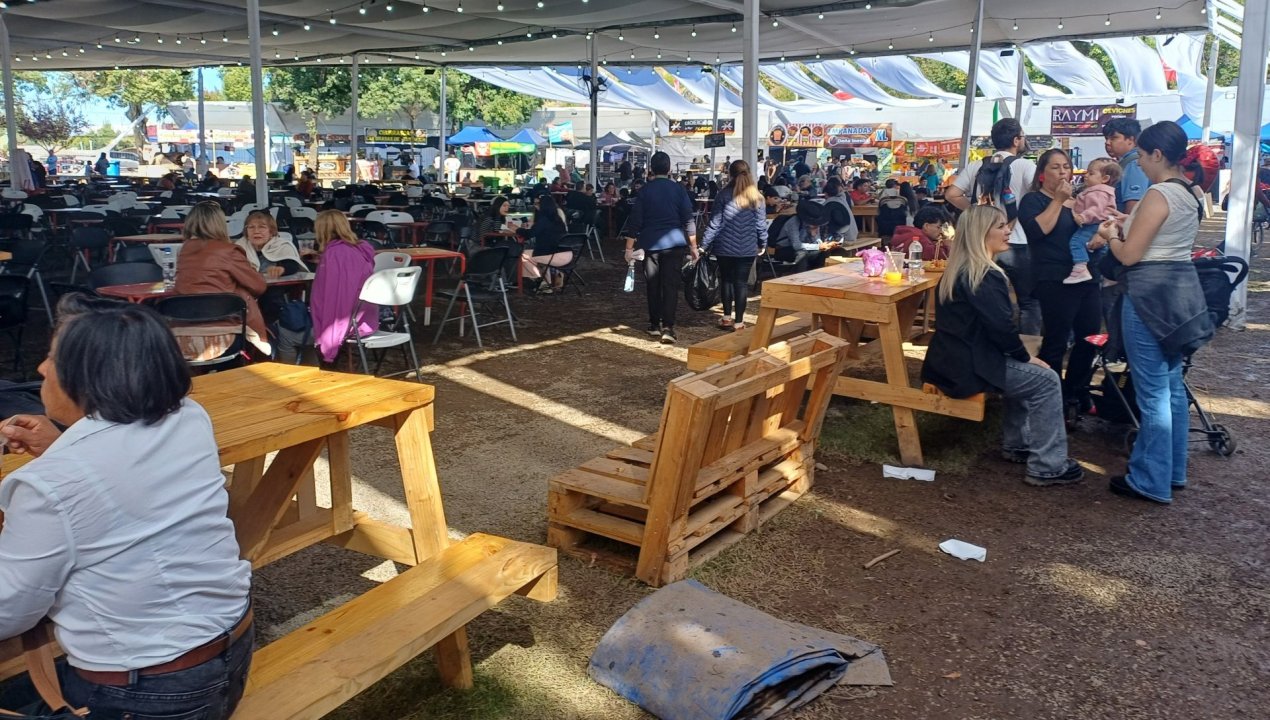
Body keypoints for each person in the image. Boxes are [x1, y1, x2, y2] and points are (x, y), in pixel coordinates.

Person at [0, 294, 253, 719]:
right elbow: (123, 480)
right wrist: (64, 444)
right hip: (229, 654)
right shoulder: (189, 417)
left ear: (90, 378)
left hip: (150, 695)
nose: (41, 368)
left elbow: (9, 612)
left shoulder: (52, 485)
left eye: (53, 359)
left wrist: (62, 460)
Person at [921, 206, 1083, 486]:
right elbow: (1001, 329)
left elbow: (996, 330)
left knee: (1028, 371)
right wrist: (1024, 357)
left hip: (951, 362)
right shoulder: (983, 275)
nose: (1008, 230)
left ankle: (1018, 444)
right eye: (1000, 226)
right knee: (1046, 380)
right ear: (980, 234)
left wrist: (1021, 356)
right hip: (969, 368)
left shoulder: (961, 270)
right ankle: (1047, 466)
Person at [1102, 121, 1214, 504]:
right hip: (1180, 293)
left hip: (1148, 293)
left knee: (1152, 394)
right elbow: (1165, 236)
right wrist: (1129, 223)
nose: (1139, 164)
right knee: (1171, 387)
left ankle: (1149, 479)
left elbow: (1129, 255)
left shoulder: (1158, 193)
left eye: (1142, 156)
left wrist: (1111, 235)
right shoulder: (1191, 191)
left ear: (1158, 154)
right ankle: (1172, 471)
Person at [1017, 149, 1103, 416]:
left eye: (1066, 166)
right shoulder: (1033, 200)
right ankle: (1051, 397)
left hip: (1087, 277)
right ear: (1042, 173)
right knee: (1057, 339)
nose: (1063, 171)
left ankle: (1074, 391)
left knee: (1090, 337)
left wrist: (1100, 237)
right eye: (1055, 167)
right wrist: (1058, 200)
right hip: (1054, 278)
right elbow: (1037, 231)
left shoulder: (1080, 201)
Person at [945, 118, 1040, 335]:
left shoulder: (976, 165)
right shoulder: (1025, 165)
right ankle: (1027, 347)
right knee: (1028, 302)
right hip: (1016, 241)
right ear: (1016, 140)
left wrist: (977, 212)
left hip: (982, 243)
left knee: (984, 297)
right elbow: (1038, 195)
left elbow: (952, 194)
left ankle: (987, 341)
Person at [175, 201, 272, 357]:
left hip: (183, 332)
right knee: (241, 292)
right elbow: (258, 286)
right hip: (224, 332)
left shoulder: (183, 250)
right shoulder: (229, 251)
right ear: (219, 224)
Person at [623, 150, 696, 344]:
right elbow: (688, 220)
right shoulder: (679, 190)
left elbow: (635, 221)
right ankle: (668, 327)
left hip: (650, 244)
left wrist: (629, 248)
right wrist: (694, 247)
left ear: (651, 169)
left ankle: (654, 324)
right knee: (670, 286)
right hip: (675, 244)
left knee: (652, 284)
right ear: (669, 168)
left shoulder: (645, 191)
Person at [701, 159, 768, 331]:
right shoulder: (757, 198)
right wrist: (762, 243)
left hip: (724, 247)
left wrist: (704, 245)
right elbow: (761, 225)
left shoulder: (723, 195)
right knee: (741, 283)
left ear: (730, 174)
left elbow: (715, 223)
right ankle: (739, 322)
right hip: (747, 248)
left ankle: (726, 317)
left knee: (727, 281)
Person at [309, 210, 377, 364]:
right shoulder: (360, 249)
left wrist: (330, 341)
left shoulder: (335, 254)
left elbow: (337, 299)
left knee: (290, 328)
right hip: (367, 316)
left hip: (349, 321)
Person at [1064, 158, 1121, 284]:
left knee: (1076, 242)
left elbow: (1096, 208)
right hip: (1102, 225)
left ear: (1105, 178)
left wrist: (1083, 217)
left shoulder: (1098, 192)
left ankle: (1080, 267)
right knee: (1100, 251)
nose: (1086, 175)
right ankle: (1104, 274)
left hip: (1093, 224)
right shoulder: (1101, 191)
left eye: (1091, 173)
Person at [521, 193, 573, 294]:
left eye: (537, 204)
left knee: (523, 255)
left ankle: (541, 281)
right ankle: (547, 281)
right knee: (539, 255)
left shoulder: (543, 220)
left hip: (553, 256)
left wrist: (518, 230)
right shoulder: (558, 219)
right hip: (568, 254)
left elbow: (530, 234)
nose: (536, 206)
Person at [774, 200, 839, 272]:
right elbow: (797, 245)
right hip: (785, 249)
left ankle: (818, 273)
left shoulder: (814, 225)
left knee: (824, 252)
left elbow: (817, 241)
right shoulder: (793, 222)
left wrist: (824, 245)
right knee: (802, 254)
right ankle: (801, 275)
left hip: (804, 248)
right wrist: (818, 246)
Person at [1103, 117, 1150, 213]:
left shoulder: (1133, 163)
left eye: (1113, 138)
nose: (1107, 143)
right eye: (1106, 138)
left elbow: (1133, 205)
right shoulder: (1125, 162)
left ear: (1130, 140)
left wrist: (1126, 222)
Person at [821, 178, 859, 243]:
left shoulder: (829, 203)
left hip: (845, 239)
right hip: (853, 234)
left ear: (826, 193)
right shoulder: (843, 198)